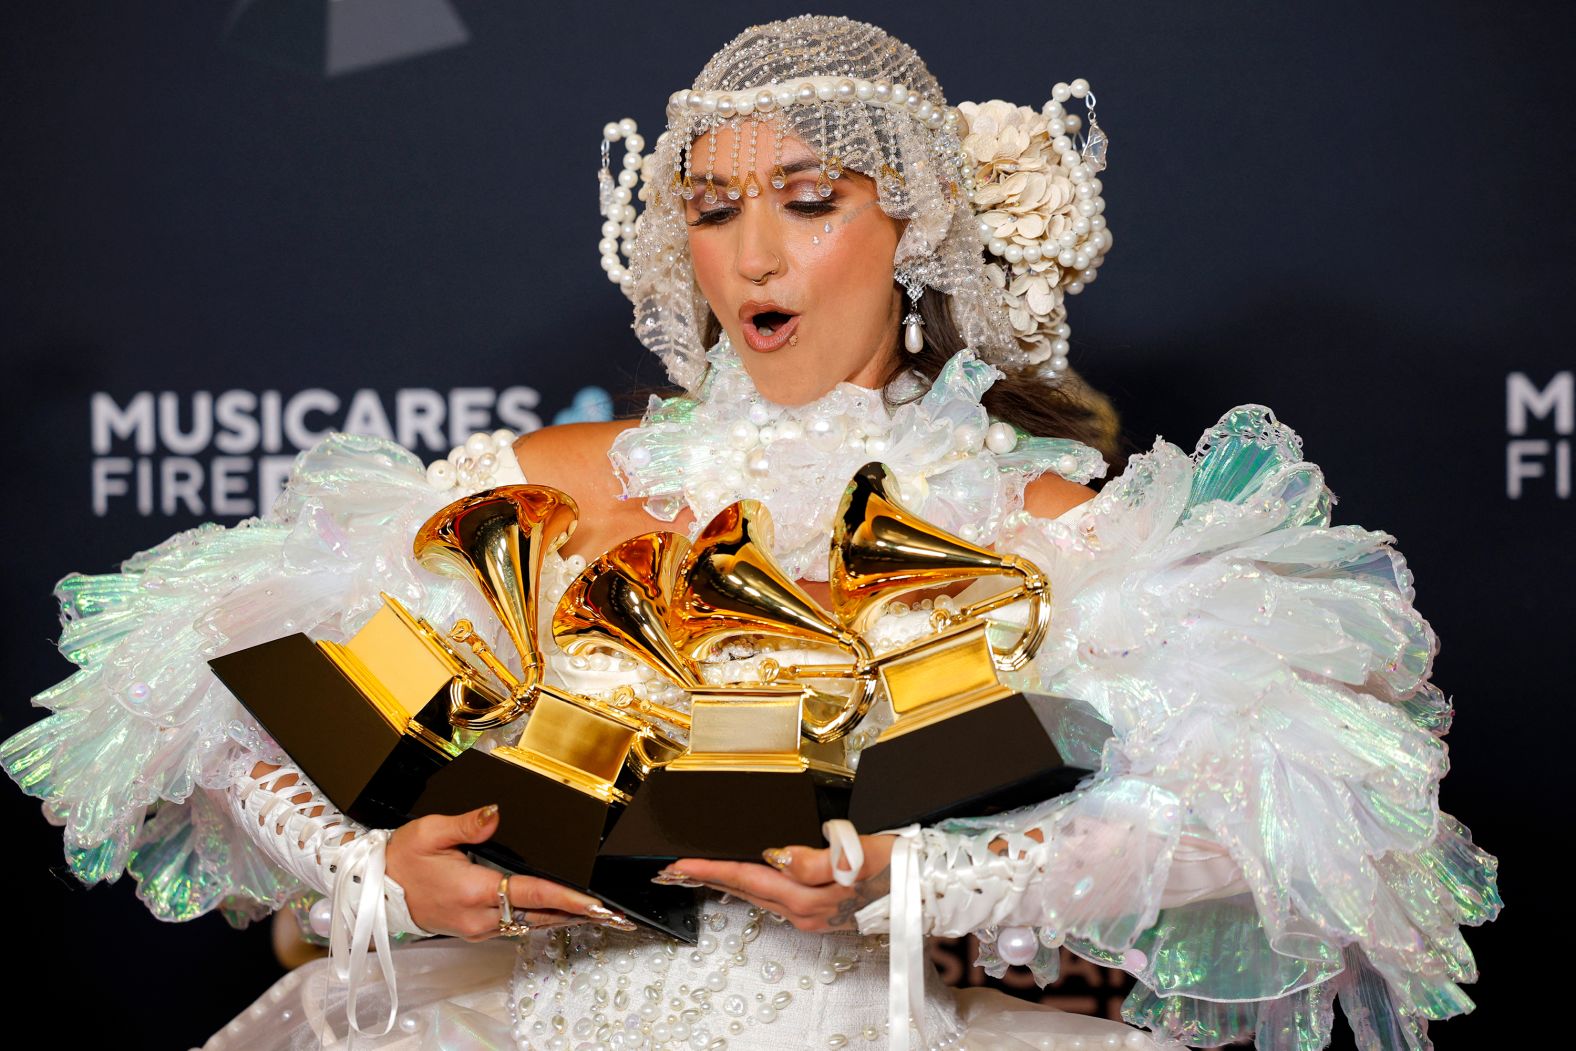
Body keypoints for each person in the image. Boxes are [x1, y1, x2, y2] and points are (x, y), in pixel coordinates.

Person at [2, 15, 1498, 1051]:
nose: (753, 254)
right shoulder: (548, 480)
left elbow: (1280, 815)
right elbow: (212, 694)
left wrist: (916, 882)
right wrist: (373, 875)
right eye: (713, 207)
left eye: (805, 199)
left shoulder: (1036, 520)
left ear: (910, 224)